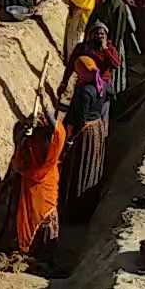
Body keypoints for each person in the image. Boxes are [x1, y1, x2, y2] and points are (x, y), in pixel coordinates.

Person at [0, 110, 68, 255]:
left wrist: (46, 107)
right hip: (28, 185)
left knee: (34, 216)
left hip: (36, 188)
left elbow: (57, 131)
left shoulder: (49, 145)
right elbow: (18, 139)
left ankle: (27, 246)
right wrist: (25, 129)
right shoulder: (40, 139)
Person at [59, 56, 111, 221]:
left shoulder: (84, 92)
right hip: (97, 129)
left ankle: (74, 211)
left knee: (77, 168)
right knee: (91, 168)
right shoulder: (100, 85)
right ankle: (87, 208)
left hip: (85, 134)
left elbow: (80, 119)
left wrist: (71, 138)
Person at [37, 0, 110, 63]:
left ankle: (80, 60)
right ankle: (72, 60)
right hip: (76, 10)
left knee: (83, 35)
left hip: (90, 11)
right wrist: (41, 2)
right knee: (72, 36)